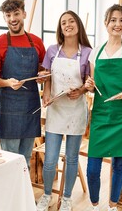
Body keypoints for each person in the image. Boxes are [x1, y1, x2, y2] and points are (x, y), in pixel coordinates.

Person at [84, 4, 122, 211]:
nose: (118, 24)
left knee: (119, 165)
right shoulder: (95, 52)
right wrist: (89, 85)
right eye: (113, 20)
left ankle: (113, 206)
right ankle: (94, 205)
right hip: (100, 114)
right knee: (92, 168)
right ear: (106, 23)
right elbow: (92, 86)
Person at [36, 11, 92, 211]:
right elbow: (47, 76)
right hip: (56, 109)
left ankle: (67, 198)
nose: (67, 25)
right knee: (50, 159)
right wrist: (46, 93)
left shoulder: (87, 52)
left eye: (71, 21)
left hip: (76, 110)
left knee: (71, 158)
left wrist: (83, 89)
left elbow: (90, 82)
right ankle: (47, 195)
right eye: (63, 22)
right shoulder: (52, 50)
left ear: (78, 25)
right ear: (59, 28)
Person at [0, 0, 47, 168]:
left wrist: (42, 76)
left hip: (31, 106)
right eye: (8, 15)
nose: (13, 18)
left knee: (26, 159)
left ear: (24, 14)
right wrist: (7, 83)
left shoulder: (36, 42)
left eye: (16, 14)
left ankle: (24, 195)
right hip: (9, 109)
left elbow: (42, 69)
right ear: (4, 18)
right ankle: (11, 195)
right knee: (10, 161)